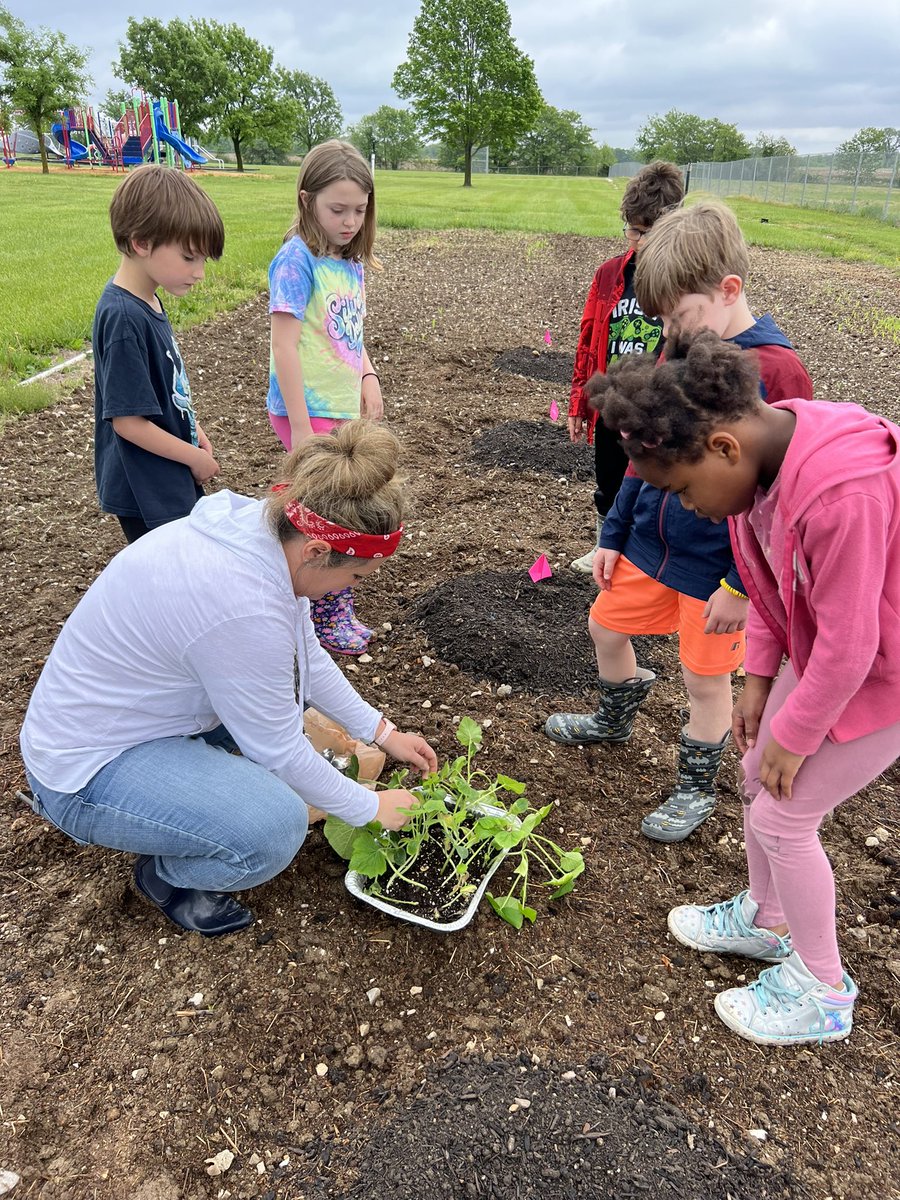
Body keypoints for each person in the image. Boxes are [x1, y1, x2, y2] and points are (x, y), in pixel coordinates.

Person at [596, 328, 900, 1046]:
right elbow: (768, 588)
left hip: (884, 667)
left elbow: (854, 646)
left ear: (723, 448)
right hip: (833, 652)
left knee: (782, 814)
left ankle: (822, 991)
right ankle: (769, 922)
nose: (690, 509)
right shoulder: (757, 475)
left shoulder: (838, 493)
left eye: (682, 491)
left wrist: (795, 739)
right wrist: (759, 684)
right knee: (754, 775)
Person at [19, 422, 437, 938]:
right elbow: (279, 749)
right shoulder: (240, 606)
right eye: (353, 578)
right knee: (272, 828)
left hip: (138, 715)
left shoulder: (259, 532)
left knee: (286, 727)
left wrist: (383, 732)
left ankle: (188, 795)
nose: (347, 592)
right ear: (315, 551)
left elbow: (305, 652)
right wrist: (372, 807)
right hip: (85, 768)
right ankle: (168, 878)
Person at [546, 201, 813, 843]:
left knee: (705, 677)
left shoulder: (777, 372)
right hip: (648, 544)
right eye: (660, 318)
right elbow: (644, 452)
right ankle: (616, 714)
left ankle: (695, 783)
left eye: (677, 313)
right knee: (604, 625)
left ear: (728, 290)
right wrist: (613, 533)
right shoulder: (678, 352)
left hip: (718, 567)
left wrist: (741, 587)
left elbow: (784, 505)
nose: (669, 330)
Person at [267, 139, 384, 656]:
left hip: (339, 408)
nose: (350, 221)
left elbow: (349, 335)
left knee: (343, 509)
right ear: (307, 199)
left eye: (359, 210)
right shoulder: (296, 261)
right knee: (323, 514)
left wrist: (368, 376)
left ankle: (332, 604)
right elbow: (284, 347)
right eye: (338, 209)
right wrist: (299, 431)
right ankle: (320, 614)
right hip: (305, 411)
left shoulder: (349, 261)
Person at [92, 165, 225, 544]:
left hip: (167, 471)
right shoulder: (123, 318)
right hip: (146, 486)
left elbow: (161, 390)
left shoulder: (147, 298)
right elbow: (127, 423)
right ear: (141, 242)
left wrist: (192, 431)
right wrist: (193, 457)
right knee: (170, 581)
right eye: (188, 257)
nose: (199, 272)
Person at [567, 161, 684, 573]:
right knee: (610, 480)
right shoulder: (610, 275)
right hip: (612, 401)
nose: (632, 239)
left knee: (657, 486)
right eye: (629, 229)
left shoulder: (683, 281)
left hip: (658, 408)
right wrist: (580, 401)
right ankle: (605, 546)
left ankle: (647, 558)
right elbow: (588, 342)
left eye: (642, 231)